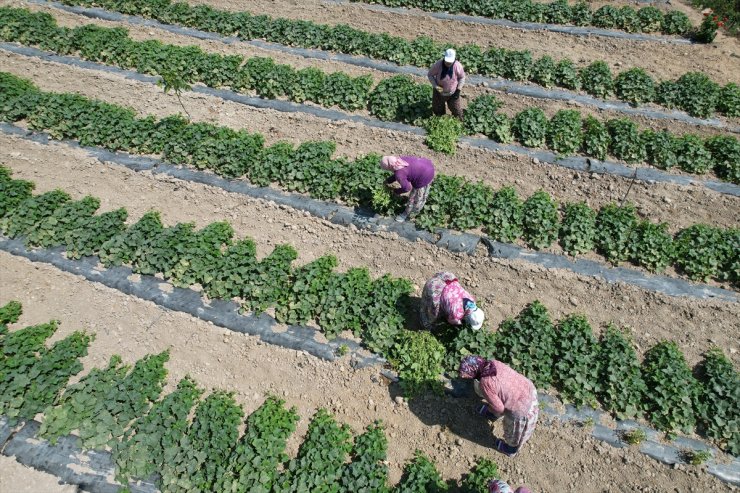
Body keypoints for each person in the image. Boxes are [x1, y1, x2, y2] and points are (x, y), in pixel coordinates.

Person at [459, 355, 539, 458]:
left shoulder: (485, 383)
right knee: (497, 400)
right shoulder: (493, 363)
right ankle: (492, 415)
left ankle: (510, 450)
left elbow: (499, 408)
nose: (464, 377)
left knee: (513, 432)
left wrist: (491, 407)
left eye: (467, 374)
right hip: (529, 390)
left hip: (521, 408)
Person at [420, 272, 485, 331]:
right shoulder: (456, 316)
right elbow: (450, 321)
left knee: (448, 306)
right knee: (431, 311)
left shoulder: (472, 301)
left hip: (448, 278)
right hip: (435, 288)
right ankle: (425, 325)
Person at [380, 155, 435, 222]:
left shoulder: (399, 173)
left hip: (423, 177)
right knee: (425, 189)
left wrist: (396, 191)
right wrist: (388, 181)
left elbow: (407, 188)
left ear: (390, 167)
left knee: (415, 198)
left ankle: (408, 214)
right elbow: (399, 172)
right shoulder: (400, 161)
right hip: (428, 166)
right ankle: (422, 199)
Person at [427, 48, 466, 119]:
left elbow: (462, 78)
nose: (448, 63)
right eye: (447, 61)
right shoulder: (438, 64)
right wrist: (436, 86)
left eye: (450, 62)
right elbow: (430, 75)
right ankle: (440, 119)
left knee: (456, 109)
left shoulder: (457, 66)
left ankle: (459, 121)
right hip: (439, 91)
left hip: (453, 92)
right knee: (437, 108)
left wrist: (458, 90)